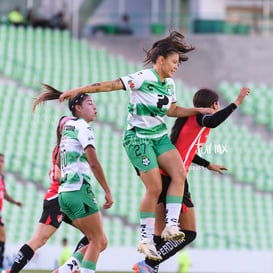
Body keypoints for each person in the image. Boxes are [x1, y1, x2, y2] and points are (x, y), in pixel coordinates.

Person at [40, 31, 214, 261]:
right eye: (173, 62)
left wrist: (197, 111)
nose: (176, 66)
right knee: (154, 187)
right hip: (138, 138)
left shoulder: (169, 84)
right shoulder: (142, 77)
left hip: (158, 136)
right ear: (160, 60)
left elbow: (172, 111)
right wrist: (76, 91)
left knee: (179, 172)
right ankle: (145, 239)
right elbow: (109, 85)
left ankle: (171, 225)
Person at [133, 86, 250, 273]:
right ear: (213, 105)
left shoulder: (189, 120)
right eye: (217, 105)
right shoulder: (200, 118)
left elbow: (184, 151)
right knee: (189, 233)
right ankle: (149, 264)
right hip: (174, 178)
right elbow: (213, 121)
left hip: (166, 176)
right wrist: (237, 102)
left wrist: (208, 164)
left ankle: (148, 267)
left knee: (160, 234)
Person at [33, 91, 114, 273]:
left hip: (64, 194)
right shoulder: (82, 127)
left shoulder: (68, 127)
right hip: (79, 190)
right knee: (97, 241)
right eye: (90, 103)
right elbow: (93, 162)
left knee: (101, 240)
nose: (94, 107)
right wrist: (107, 191)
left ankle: (65, 270)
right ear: (78, 108)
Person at [3, 116, 89, 273]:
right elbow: (57, 175)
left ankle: (69, 268)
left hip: (67, 199)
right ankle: (12, 271)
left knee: (94, 235)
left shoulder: (68, 147)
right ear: (62, 130)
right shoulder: (63, 147)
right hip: (58, 198)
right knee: (39, 240)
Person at [0, 154, 23, 269]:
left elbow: (4, 194)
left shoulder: (1, 178)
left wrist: (15, 202)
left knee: (3, 238)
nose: (1, 163)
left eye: (2, 161)